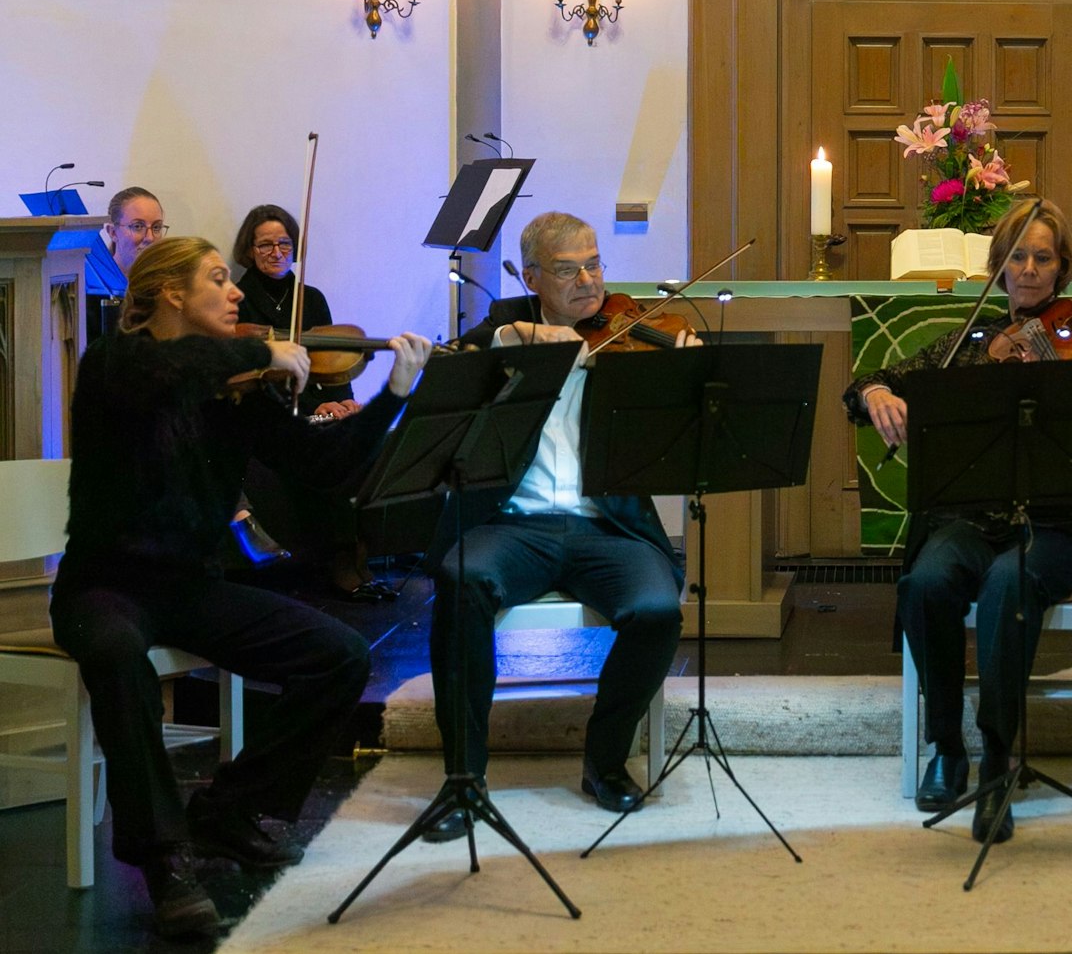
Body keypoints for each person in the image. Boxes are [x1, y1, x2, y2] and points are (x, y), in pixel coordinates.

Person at [49, 237, 430, 938]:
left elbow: (325, 468)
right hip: (106, 584)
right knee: (114, 654)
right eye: (219, 280)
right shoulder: (116, 363)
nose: (235, 293)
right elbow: (171, 371)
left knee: (339, 656)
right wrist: (261, 353)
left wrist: (393, 397)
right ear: (170, 293)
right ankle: (163, 858)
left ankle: (227, 811)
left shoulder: (235, 390)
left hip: (192, 584)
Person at [845, 199, 1072, 844]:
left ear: (1062, 270)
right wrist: (876, 394)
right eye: (1017, 257)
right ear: (998, 267)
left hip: (1056, 531)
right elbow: (867, 379)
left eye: (1043, 258)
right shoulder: (968, 346)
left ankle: (998, 759)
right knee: (925, 584)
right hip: (972, 520)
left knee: (1010, 586)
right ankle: (948, 745)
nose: (1030, 270)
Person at [422, 210, 694, 842]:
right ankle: (463, 780)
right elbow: (451, 379)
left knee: (656, 609)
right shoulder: (500, 335)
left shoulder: (632, 337)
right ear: (532, 275)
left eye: (595, 264)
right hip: (514, 527)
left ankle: (604, 762)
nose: (588, 282)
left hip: (607, 527)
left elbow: (674, 439)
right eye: (569, 270)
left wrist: (683, 378)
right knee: (461, 580)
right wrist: (508, 348)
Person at [227, 204, 386, 598]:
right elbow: (257, 377)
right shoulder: (238, 299)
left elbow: (331, 361)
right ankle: (336, 561)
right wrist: (316, 405)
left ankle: (355, 556)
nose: (276, 252)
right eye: (265, 244)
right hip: (274, 413)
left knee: (354, 444)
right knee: (323, 457)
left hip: (313, 407)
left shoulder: (309, 297)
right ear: (249, 249)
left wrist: (343, 401)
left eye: (284, 243)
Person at [84, 186, 168, 341]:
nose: (150, 237)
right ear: (112, 232)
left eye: (156, 227)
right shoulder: (90, 291)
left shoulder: (169, 289)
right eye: (138, 226)